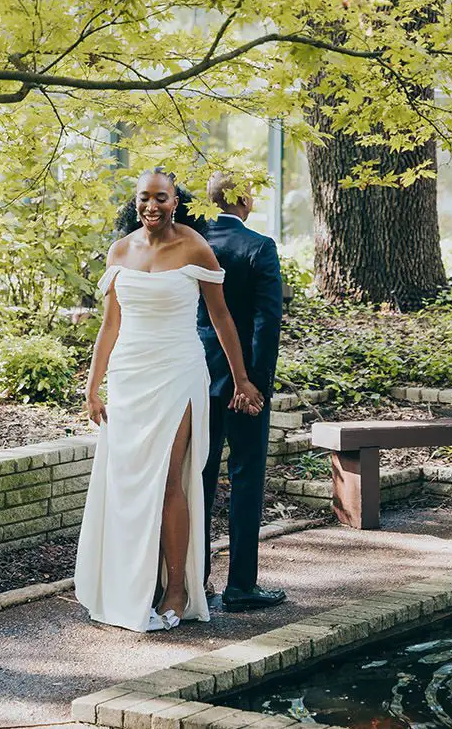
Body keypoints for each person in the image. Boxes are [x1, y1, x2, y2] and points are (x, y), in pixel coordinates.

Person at [75, 169, 264, 633]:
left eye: (161, 198)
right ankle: (128, 586)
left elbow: (221, 319)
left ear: (176, 201)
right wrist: (92, 384)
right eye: (144, 198)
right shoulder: (120, 251)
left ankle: (177, 587)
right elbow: (110, 325)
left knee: (168, 480)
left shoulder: (196, 247)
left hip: (178, 371)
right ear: (136, 202)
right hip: (129, 375)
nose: (151, 206)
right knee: (127, 482)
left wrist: (242, 380)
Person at [198, 172, 288, 612]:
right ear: (244, 202)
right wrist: (254, 384)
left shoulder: (191, 241)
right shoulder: (259, 247)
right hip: (242, 381)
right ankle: (241, 586)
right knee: (247, 476)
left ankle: (195, 581)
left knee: (199, 475)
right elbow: (266, 322)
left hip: (195, 374)